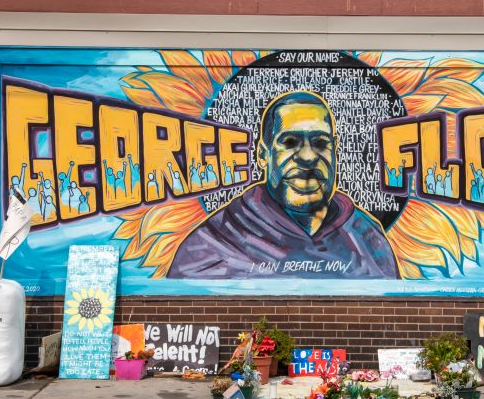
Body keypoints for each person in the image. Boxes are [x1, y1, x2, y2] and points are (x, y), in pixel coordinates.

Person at [167, 91, 400, 279]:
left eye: (320, 142)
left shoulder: (368, 239)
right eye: (290, 142)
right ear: (262, 154)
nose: (308, 157)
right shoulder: (212, 246)